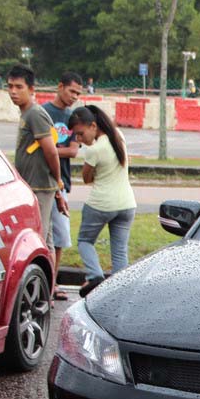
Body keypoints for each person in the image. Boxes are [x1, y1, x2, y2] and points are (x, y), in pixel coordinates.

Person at [67, 106, 137, 297]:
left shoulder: (94, 150)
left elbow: (87, 179)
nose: (80, 139)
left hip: (100, 204)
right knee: (120, 250)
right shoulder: (118, 136)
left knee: (84, 241)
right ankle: (120, 290)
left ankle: (95, 276)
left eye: (81, 134)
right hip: (127, 203)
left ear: (93, 125)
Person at [8, 64, 65, 263]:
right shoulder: (26, 113)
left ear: (31, 89)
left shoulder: (35, 114)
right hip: (31, 186)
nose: (13, 92)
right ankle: (48, 288)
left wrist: (58, 183)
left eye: (19, 87)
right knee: (44, 239)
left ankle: (45, 287)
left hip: (40, 186)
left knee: (38, 239)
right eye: (10, 86)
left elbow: (51, 151)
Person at [42, 72, 84, 300]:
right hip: (41, 183)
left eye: (78, 93)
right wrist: (55, 151)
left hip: (62, 184)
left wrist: (48, 150)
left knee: (59, 237)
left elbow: (73, 151)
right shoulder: (44, 112)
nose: (74, 97)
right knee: (41, 235)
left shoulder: (72, 116)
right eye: (71, 91)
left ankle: (53, 284)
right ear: (60, 87)